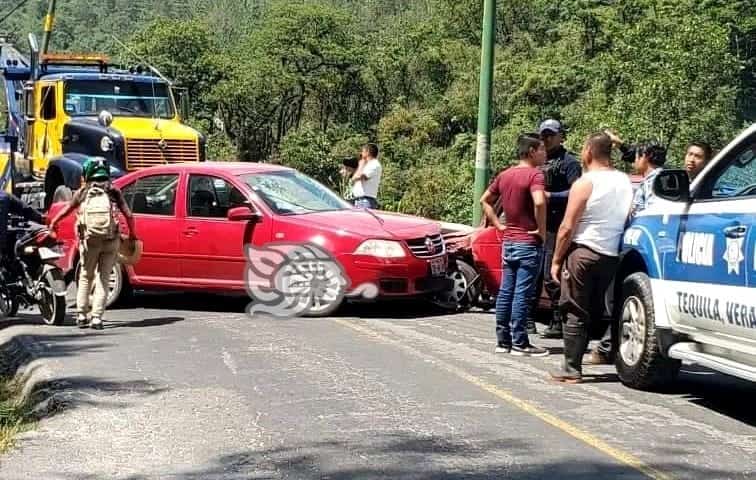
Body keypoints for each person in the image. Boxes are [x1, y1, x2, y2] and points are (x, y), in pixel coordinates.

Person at [548, 132, 634, 383]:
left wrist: (556, 260)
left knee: (574, 308)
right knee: (605, 309)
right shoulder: (624, 181)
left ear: (588, 152)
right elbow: (628, 214)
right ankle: (613, 356)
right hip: (611, 254)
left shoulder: (585, 183)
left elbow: (567, 227)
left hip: (584, 252)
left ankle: (571, 368)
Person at [480, 133, 549, 357]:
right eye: (541, 149)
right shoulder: (535, 176)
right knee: (522, 293)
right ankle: (520, 342)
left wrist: (497, 224)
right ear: (531, 151)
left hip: (509, 241)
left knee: (505, 292)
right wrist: (540, 228)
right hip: (528, 242)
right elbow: (539, 201)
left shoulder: (505, 175)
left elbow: (485, 200)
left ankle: (503, 341)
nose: (544, 153)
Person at [49, 157, 136, 330]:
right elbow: (129, 215)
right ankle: (97, 318)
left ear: (87, 174)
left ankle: (81, 315)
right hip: (111, 240)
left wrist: (54, 222)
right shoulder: (113, 191)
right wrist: (133, 234)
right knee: (103, 278)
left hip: (89, 241)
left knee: (85, 276)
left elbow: (67, 209)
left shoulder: (83, 191)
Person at [530, 119, 582, 339]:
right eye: (544, 135)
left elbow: (577, 192)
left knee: (551, 273)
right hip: (536, 223)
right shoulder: (537, 159)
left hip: (557, 224)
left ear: (561, 136)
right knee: (532, 273)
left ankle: (558, 320)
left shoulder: (570, 163)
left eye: (551, 134)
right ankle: (527, 320)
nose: (547, 139)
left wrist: (551, 196)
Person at [349, 143, 382, 209]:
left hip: (365, 201)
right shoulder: (368, 164)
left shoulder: (374, 164)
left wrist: (361, 165)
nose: (361, 153)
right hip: (360, 200)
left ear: (367, 152)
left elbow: (358, 177)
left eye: (363, 151)